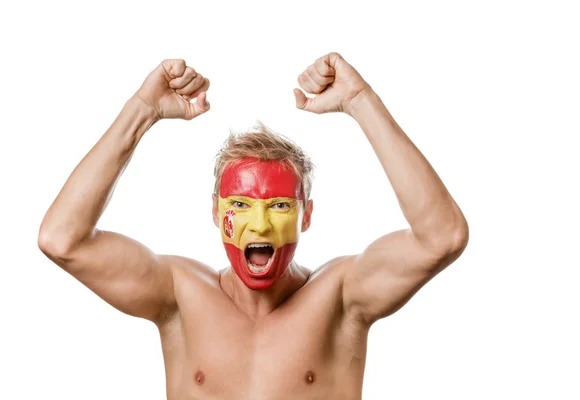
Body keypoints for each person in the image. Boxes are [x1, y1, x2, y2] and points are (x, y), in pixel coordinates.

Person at [38, 52, 469, 399]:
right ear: (215, 212)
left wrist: (361, 102)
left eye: (280, 205)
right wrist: (142, 111)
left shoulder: (342, 295)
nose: (258, 226)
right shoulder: (178, 294)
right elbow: (62, 240)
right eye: (240, 205)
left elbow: (443, 237)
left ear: (307, 214)